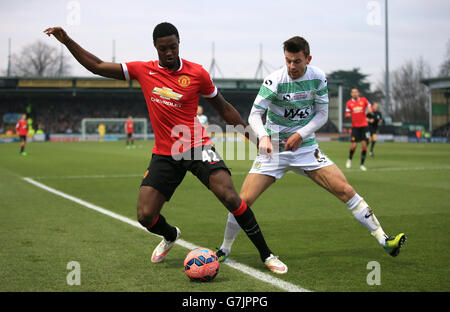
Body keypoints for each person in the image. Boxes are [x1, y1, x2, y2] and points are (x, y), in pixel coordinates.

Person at [44, 22, 286, 274]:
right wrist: (67, 41)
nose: (169, 52)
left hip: (196, 146)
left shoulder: (197, 73)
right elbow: (97, 66)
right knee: (145, 216)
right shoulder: (142, 70)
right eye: (163, 49)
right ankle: (170, 235)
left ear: (179, 43)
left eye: (173, 46)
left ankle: (267, 254)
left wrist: (255, 138)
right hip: (164, 154)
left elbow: (223, 108)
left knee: (230, 196)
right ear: (155, 48)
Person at [216, 36, 406, 266]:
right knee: (242, 200)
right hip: (274, 151)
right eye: (288, 61)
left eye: (297, 61)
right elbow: (254, 115)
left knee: (345, 190)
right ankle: (224, 249)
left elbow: (322, 115)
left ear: (308, 58)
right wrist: (264, 137)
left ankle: (385, 240)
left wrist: (300, 135)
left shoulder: (318, 78)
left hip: (306, 150)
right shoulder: (274, 80)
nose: (292, 67)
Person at [345, 88, 372, 171]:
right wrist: (348, 115)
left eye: (356, 92)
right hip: (355, 127)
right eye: (353, 92)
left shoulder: (364, 100)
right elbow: (346, 114)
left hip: (364, 126)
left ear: (358, 93)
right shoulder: (349, 103)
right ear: (351, 94)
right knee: (354, 145)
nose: (354, 93)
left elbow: (370, 107)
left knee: (364, 144)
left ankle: (362, 164)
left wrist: (370, 109)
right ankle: (349, 159)